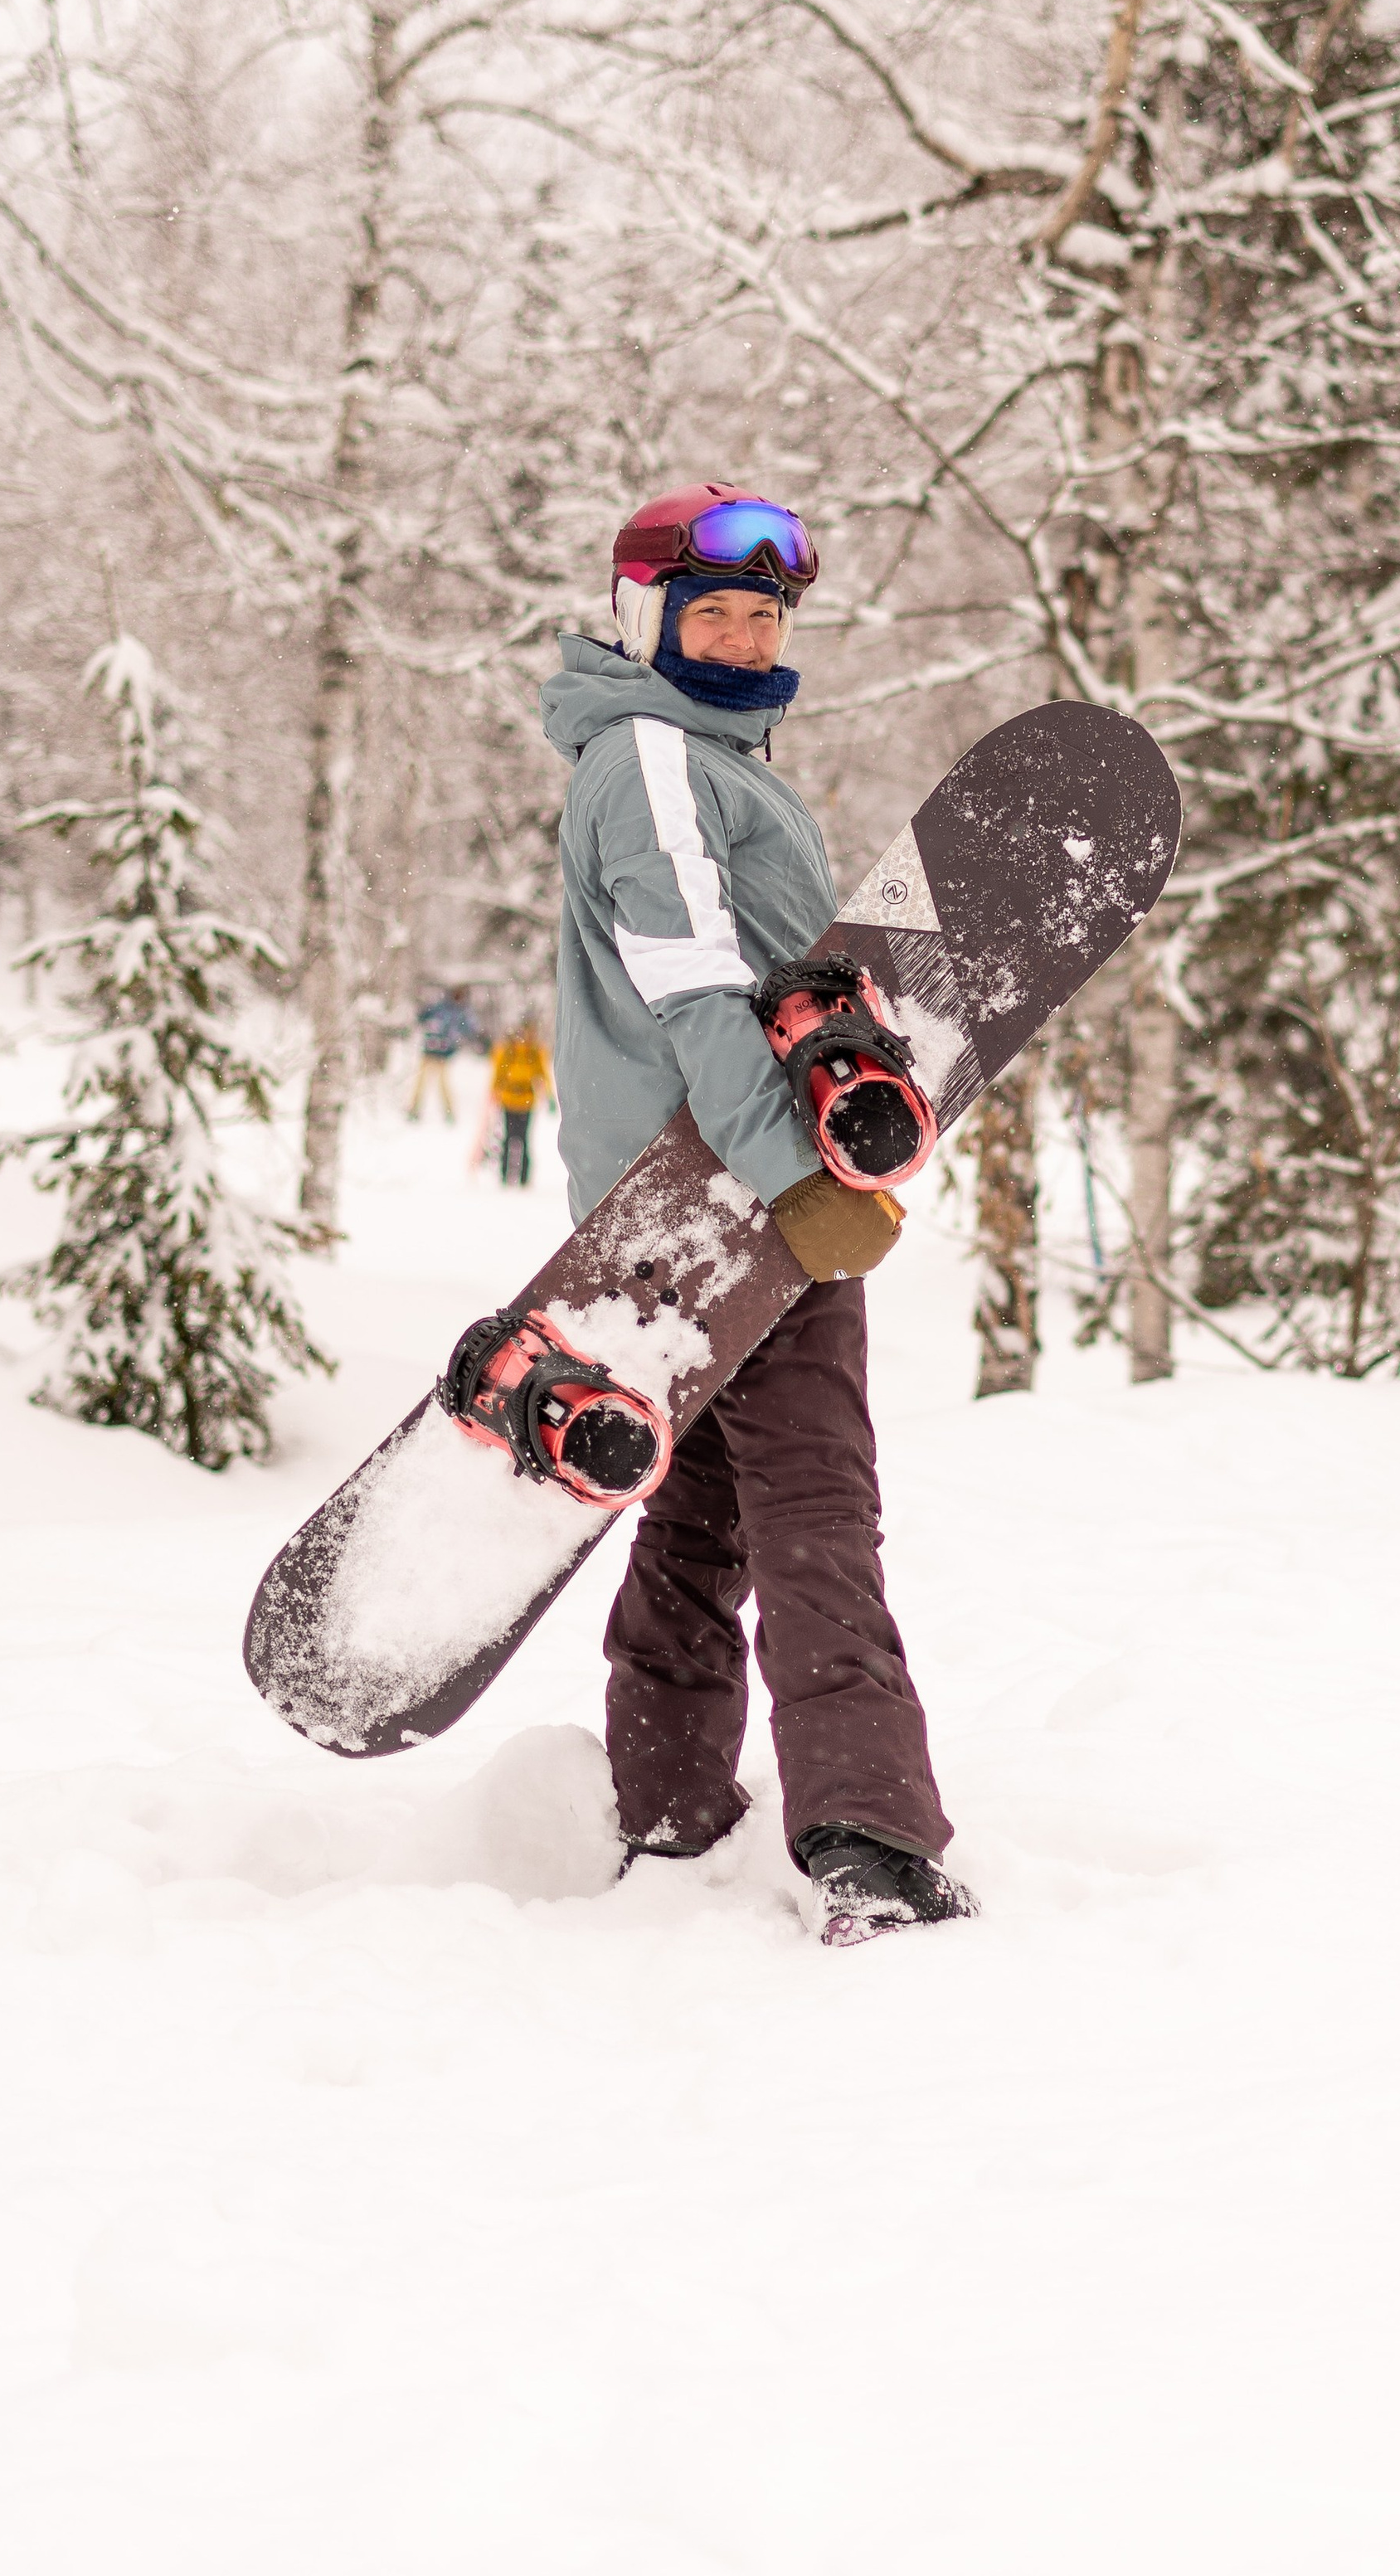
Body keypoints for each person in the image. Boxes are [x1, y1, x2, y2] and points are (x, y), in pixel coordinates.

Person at [537, 481, 973, 1947]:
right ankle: (869, 1843)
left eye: (761, 612)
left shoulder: (691, 755)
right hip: (731, 1194)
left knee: (704, 1514)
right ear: (642, 621)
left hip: (669, 1198)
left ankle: (666, 1813)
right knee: (816, 1510)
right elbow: (692, 989)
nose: (736, 635)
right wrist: (790, 1183)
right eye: (708, 610)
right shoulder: (657, 760)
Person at [481, 1020, 552, 1185]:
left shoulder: (534, 1053)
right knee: (510, 1139)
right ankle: (506, 1176)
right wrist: (494, 1093)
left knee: (523, 1140)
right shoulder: (507, 1052)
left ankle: (523, 1178)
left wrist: (549, 1096)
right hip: (510, 1101)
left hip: (526, 1102)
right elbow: (498, 1073)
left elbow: (542, 1075)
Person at [408, 984, 480, 1121]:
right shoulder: (440, 1007)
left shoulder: (462, 1012)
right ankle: (414, 1109)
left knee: (443, 1084)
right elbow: (422, 1016)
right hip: (430, 1050)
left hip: (444, 1053)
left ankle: (448, 1112)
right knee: (421, 1082)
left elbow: (470, 1029)